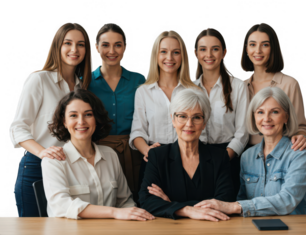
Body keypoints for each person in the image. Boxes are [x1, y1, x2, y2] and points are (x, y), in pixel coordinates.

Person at [10, 22, 92, 217]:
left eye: (80, 44)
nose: (74, 49)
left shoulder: (82, 88)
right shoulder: (39, 80)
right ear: (58, 46)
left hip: (69, 171)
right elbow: (17, 127)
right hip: (37, 167)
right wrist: (44, 152)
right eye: (68, 43)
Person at [194, 87, 306, 217]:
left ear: (286, 117)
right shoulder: (247, 156)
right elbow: (243, 199)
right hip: (256, 228)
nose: (266, 119)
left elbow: (287, 200)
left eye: (274, 112)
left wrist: (232, 206)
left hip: (294, 228)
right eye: (260, 112)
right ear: (254, 117)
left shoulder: (300, 154)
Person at [42, 89, 154, 220]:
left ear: (96, 119)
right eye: (73, 115)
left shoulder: (111, 155)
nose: (81, 121)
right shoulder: (53, 160)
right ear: (64, 122)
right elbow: (61, 206)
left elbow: (125, 202)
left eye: (88, 114)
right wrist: (114, 213)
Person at [139, 88, 235, 221]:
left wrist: (170, 204)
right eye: (182, 116)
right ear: (173, 120)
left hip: (211, 229)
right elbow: (146, 201)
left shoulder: (219, 157)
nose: (189, 124)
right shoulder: (157, 156)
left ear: (204, 123)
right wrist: (186, 210)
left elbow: (225, 201)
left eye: (196, 117)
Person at [129, 30, 199, 194]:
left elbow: (200, 128)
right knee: (152, 210)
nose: (170, 58)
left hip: (188, 159)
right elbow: (137, 131)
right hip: (155, 158)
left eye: (176, 52)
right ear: (156, 56)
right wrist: (148, 151)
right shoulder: (143, 91)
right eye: (164, 52)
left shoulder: (194, 90)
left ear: (183, 56)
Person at [87, 23, 145, 202]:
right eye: (105, 45)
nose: (112, 51)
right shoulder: (85, 82)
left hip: (133, 152)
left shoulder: (140, 80)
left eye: (117, 45)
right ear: (96, 47)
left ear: (125, 47)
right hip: (97, 153)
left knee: (137, 201)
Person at [193, 28, 249, 197]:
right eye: (203, 49)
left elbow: (243, 131)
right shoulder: (190, 88)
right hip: (195, 157)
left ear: (224, 52)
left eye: (215, 49)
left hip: (228, 157)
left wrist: (224, 158)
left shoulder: (239, 86)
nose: (209, 54)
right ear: (196, 54)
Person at [241, 22, 306, 151]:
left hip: (281, 152)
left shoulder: (289, 84)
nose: (258, 50)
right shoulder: (240, 87)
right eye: (252, 45)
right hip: (247, 153)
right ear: (246, 49)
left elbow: (301, 127)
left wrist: (302, 136)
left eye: (265, 45)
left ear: (273, 48)